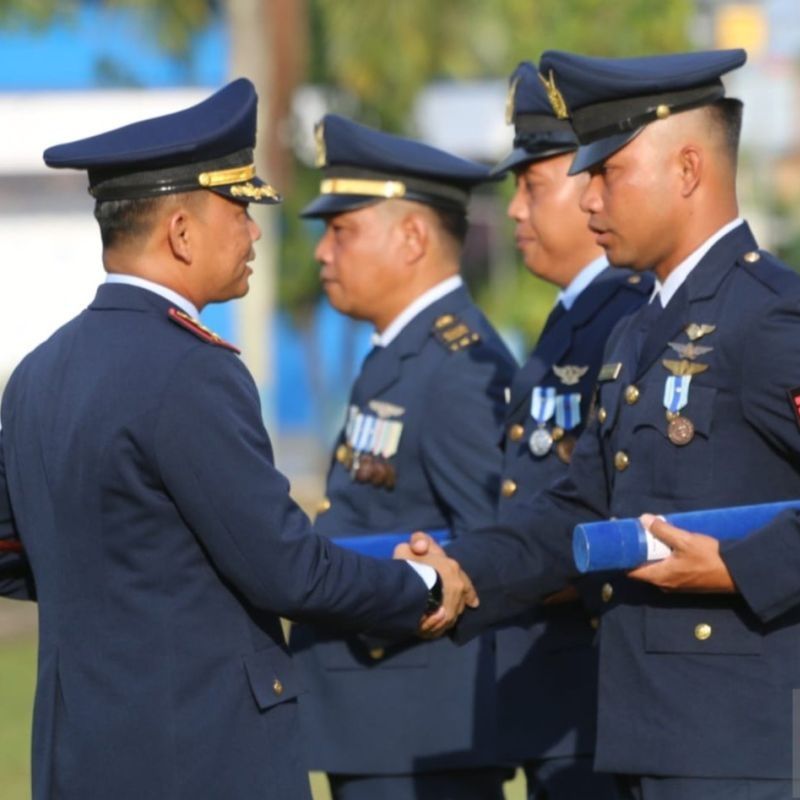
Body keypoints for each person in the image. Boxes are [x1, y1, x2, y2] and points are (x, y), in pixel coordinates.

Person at [406, 49, 800, 800]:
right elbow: (582, 503)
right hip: (656, 733)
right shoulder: (640, 329)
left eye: (607, 173)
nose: (588, 199)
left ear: (687, 170)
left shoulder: (772, 317)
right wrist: (465, 571)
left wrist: (733, 568)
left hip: (748, 739)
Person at [0, 78, 473, 800]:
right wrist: (421, 585)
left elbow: (18, 551)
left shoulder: (36, 374)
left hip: (78, 759)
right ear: (181, 232)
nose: (255, 232)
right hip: (198, 758)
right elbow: (286, 570)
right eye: (240, 208)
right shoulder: (190, 370)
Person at [288, 114, 516, 800]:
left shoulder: (453, 369)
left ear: (413, 237)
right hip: (383, 723)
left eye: (343, 230)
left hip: (422, 735)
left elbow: (490, 551)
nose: (323, 252)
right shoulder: (401, 354)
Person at [490, 61, 652, 800]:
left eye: (532, 184)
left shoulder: (628, 316)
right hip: (553, 680)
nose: (516, 210)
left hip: (600, 680)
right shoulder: (570, 319)